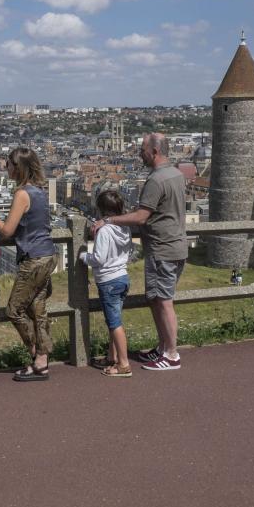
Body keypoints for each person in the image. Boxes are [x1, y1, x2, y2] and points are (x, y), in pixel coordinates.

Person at [92, 133, 187, 371]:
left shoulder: (156, 180)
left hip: (161, 247)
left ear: (154, 152)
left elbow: (141, 216)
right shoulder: (176, 174)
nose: (139, 154)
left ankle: (172, 355)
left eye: (142, 150)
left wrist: (109, 220)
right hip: (176, 244)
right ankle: (163, 348)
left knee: (163, 301)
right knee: (157, 299)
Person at [0, 147, 58, 381]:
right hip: (47, 255)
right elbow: (27, 227)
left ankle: (37, 353)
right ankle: (42, 363)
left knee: (14, 309)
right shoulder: (39, 192)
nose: (5, 168)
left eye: (8, 164)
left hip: (34, 258)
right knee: (37, 309)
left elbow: (7, 229)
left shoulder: (22, 194)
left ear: (18, 167)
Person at [80, 190, 133, 378]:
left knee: (114, 323)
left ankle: (124, 364)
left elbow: (99, 258)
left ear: (101, 210)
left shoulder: (104, 231)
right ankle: (113, 356)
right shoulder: (124, 228)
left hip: (108, 281)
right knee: (116, 319)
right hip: (123, 277)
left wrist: (84, 256)